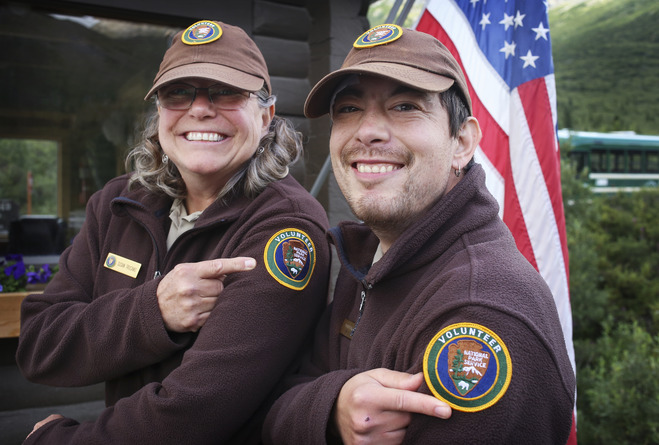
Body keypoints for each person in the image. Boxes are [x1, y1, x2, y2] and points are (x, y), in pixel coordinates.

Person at [16, 19, 330, 444]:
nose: (200, 108)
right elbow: (39, 344)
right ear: (160, 112)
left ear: (266, 115)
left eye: (226, 90)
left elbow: (194, 413)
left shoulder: (286, 229)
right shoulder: (118, 204)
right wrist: (153, 311)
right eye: (178, 92)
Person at [263, 24, 576, 445]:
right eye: (350, 109)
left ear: (462, 143)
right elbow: (276, 401)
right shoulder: (367, 257)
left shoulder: (482, 309)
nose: (367, 131)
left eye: (406, 106)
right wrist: (333, 406)